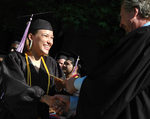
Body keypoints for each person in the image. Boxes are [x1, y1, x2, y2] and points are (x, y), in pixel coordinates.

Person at [51, 0, 150, 119]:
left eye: (121, 15)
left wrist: (75, 83)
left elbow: (112, 78)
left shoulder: (142, 39)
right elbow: (127, 90)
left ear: (134, 12)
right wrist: (74, 103)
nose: (120, 23)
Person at [0, 18, 66, 119]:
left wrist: (58, 95)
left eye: (52, 38)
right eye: (45, 36)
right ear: (31, 36)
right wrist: (43, 97)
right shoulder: (15, 60)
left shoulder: (52, 64)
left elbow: (60, 91)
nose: (50, 42)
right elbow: (16, 89)